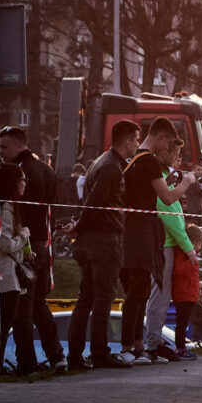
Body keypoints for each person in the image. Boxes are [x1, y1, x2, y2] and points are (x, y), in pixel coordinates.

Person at [120, 118, 197, 365]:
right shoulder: (149, 161)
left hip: (132, 231)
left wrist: (169, 182)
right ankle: (130, 347)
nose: (166, 149)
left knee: (141, 291)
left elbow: (145, 192)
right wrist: (187, 182)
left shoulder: (134, 160)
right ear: (161, 137)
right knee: (139, 293)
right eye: (167, 144)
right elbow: (167, 198)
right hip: (143, 233)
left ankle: (139, 347)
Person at [67, 120, 141, 370]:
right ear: (127, 141)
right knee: (103, 297)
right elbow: (94, 203)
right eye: (136, 140)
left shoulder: (101, 161)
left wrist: (78, 226)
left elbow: (88, 201)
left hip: (90, 240)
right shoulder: (111, 167)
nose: (137, 145)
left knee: (86, 298)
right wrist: (78, 225)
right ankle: (100, 352)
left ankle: (75, 355)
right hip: (104, 241)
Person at [0, 127, 65, 374]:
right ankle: (57, 356)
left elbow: (19, 215)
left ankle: (27, 362)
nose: (1, 152)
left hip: (25, 247)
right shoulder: (46, 169)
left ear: (19, 145)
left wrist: (23, 243)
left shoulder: (17, 172)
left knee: (23, 310)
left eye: (4, 147)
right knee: (39, 305)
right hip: (44, 245)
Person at [143, 139, 198, 362]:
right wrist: (189, 247)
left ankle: (154, 342)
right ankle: (153, 344)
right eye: (175, 155)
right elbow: (172, 218)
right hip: (164, 246)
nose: (178, 160)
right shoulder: (159, 181)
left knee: (162, 297)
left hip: (167, 244)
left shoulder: (164, 179)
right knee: (160, 297)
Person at [0, 163, 36, 375]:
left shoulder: (12, 207)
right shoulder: (6, 208)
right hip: (6, 276)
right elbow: (4, 244)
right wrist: (23, 236)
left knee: (6, 324)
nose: (25, 183)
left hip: (10, 273)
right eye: (22, 179)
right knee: (4, 325)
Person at [170, 225, 202, 361]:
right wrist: (192, 262)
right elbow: (179, 271)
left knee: (183, 322)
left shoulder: (189, 256)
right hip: (183, 294)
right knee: (182, 322)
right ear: (193, 242)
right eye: (200, 244)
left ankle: (181, 346)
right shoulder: (183, 255)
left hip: (188, 294)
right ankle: (180, 348)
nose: (200, 248)